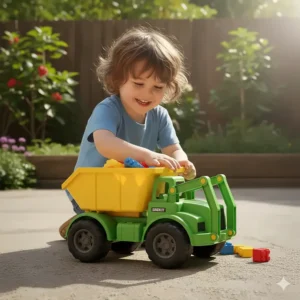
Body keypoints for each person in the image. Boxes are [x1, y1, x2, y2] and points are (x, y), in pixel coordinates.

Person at [59, 26, 197, 238]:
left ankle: (104, 221)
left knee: (151, 218)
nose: (146, 93)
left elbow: (173, 148)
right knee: (117, 241)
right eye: (138, 83)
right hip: (91, 192)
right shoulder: (108, 109)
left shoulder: (159, 115)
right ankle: (83, 219)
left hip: (131, 192)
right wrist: (147, 155)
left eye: (157, 87)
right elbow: (105, 144)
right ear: (117, 78)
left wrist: (182, 162)